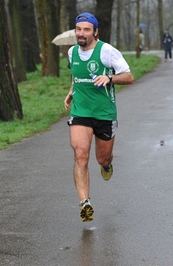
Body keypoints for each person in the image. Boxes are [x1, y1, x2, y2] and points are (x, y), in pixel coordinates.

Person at [64, 12, 134, 222]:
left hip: (104, 113)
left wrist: (109, 77)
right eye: (78, 29)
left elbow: (129, 77)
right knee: (80, 155)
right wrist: (71, 90)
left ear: (95, 32)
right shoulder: (71, 52)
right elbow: (75, 74)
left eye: (86, 29)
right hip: (80, 112)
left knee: (101, 158)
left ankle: (106, 164)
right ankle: (85, 203)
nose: (82, 33)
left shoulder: (107, 52)